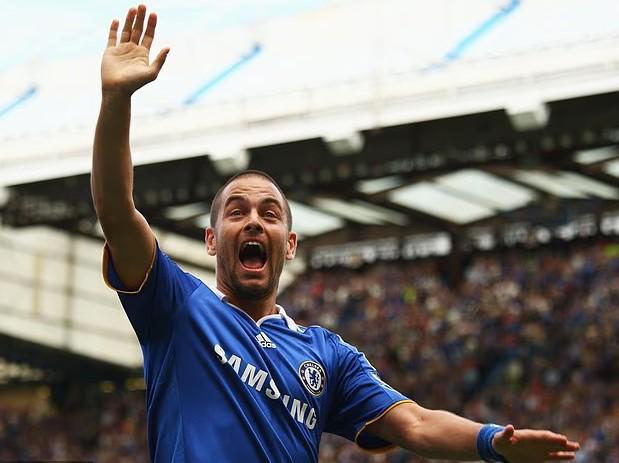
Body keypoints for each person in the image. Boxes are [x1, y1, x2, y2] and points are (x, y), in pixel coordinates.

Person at [92, 5, 581, 462]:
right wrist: (116, 100)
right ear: (212, 240)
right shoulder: (178, 307)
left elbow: (414, 424)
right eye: (237, 212)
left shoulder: (328, 356)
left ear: (290, 244)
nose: (255, 221)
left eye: (270, 213)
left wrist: (490, 442)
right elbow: (116, 211)